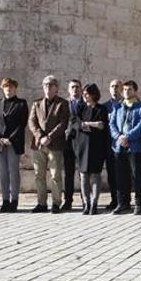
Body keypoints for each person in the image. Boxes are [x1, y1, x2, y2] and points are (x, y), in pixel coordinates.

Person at [27, 75, 70, 214]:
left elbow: (63, 123)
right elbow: (31, 122)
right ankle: (41, 203)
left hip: (55, 144)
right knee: (39, 175)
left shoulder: (62, 103)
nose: (48, 87)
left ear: (56, 88)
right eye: (45, 85)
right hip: (38, 144)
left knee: (55, 175)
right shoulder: (36, 103)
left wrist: (49, 137)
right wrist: (40, 136)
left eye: (51, 85)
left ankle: (56, 203)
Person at [109, 80, 141, 215]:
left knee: (136, 175)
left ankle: (138, 203)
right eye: (125, 89)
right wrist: (119, 137)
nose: (126, 91)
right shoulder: (118, 107)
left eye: (130, 89)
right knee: (121, 176)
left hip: (134, 147)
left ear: (135, 91)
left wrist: (127, 137)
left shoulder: (140, 107)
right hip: (119, 147)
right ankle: (123, 203)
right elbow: (112, 124)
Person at [0, 77, 28, 213]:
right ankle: (5, 200)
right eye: (5, 86)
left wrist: (10, 138)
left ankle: (14, 200)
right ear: (2, 88)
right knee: (3, 172)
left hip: (13, 142)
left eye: (10, 86)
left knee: (13, 171)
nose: (8, 89)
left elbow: (22, 123)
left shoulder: (21, 103)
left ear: (15, 88)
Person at [71, 83, 109, 215]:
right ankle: (86, 203)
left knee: (95, 175)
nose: (84, 95)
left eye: (87, 93)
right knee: (83, 176)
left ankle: (94, 203)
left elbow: (102, 125)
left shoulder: (101, 109)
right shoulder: (80, 108)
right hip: (82, 145)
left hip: (96, 146)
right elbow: (75, 123)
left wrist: (88, 124)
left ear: (93, 94)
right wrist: (90, 124)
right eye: (84, 93)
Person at [101, 79, 123, 211]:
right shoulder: (104, 107)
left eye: (117, 86)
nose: (114, 89)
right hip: (109, 145)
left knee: (123, 174)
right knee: (111, 174)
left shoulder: (125, 104)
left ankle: (123, 199)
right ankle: (114, 199)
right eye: (112, 86)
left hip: (123, 144)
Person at [63, 78, 83, 211]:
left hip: (82, 142)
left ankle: (85, 200)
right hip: (67, 142)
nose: (75, 89)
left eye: (77, 87)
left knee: (83, 172)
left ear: (80, 89)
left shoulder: (85, 104)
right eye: (72, 87)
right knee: (68, 173)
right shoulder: (63, 104)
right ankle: (68, 201)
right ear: (68, 90)